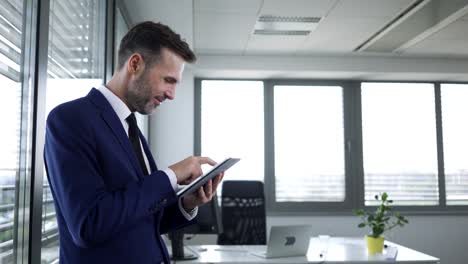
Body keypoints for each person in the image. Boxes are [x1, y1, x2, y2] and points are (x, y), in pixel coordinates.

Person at [44, 21, 223, 264]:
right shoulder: (70, 119)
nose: (172, 94)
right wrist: (171, 175)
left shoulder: (131, 128)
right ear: (135, 64)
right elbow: (89, 224)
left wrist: (187, 203)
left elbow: (143, 220)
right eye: (168, 80)